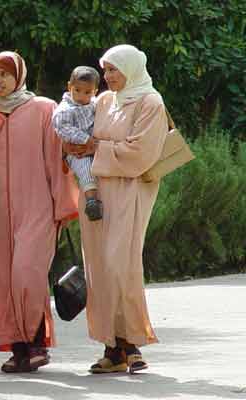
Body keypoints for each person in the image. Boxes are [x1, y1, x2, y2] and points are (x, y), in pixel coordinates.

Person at [0, 51, 79, 373]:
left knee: (26, 275)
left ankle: (37, 343)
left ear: (19, 76)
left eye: (5, 74)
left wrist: (62, 205)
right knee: (3, 279)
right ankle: (19, 350)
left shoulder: (44, 109)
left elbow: (58, 160)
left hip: (38, 208)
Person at [64, 44, 168, 374]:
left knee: (120, 264)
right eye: (105, 70)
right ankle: (113, 348)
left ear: (132, 69)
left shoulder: (151, 102)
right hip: (96, 194)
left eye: (113, 70)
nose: (107, 77)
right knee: (99, 268)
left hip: (131, 190)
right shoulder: (105, 101)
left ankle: (132, 341)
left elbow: (140, 154)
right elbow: (76, 128)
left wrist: (95, 147)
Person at [52, 66, 103, 221]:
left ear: (95, 92)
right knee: (85, 169)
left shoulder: (94, 103)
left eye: (87, 92)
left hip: (95, 148)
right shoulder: (65, 109)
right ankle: (92, 201)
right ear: (69, 87)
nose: (81, 96)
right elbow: (62, 128)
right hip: (76, 151)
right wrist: (85, 139)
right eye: (77, 90)